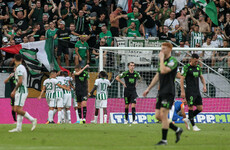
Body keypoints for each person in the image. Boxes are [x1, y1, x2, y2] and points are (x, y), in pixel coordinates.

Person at [143, 42, 183, 145]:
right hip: (161, 91)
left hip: (169, 91)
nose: (162, 51)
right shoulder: (162, 62)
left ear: (170, 49)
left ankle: (164, 140)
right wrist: (148, 88)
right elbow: (157, 75)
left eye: (164, 49)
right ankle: (177, 129)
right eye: (161, 49)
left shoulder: (173, 61)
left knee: (164, 115)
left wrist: (161, 59)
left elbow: (164, 70)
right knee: (157, 116)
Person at [9, 54, 37, 132]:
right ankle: (18, 128)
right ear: (21, 59)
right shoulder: (20, 67)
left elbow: (20, 81)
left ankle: (32, 119)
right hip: (20, 90)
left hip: (21, 90)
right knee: (18, 109)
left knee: (16, 109)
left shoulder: (20, 68)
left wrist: (14, 90)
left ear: (14, 59)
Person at [180, 53, 207, 131]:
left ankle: (188, 119)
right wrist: (182, 91)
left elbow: (201, 77)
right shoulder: (186, 67)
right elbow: (182, 80)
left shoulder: (198, 67)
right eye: (195, 61)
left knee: (200, 108)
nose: (196, 63)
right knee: (190, 107)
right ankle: (194, 126)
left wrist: (204, 86)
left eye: (197, 61)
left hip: (197, 91)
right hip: (190, 91)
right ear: (191, 59)